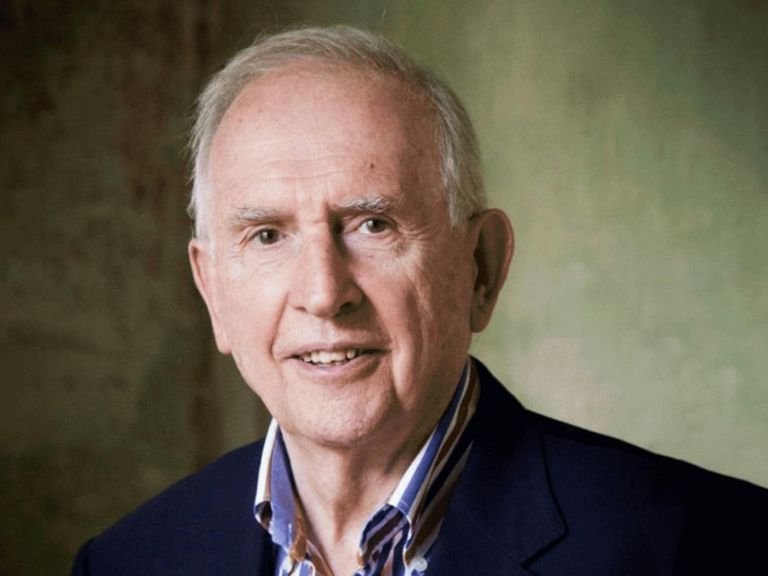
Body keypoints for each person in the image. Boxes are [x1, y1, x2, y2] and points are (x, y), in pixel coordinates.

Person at [71, 25, 766, 575]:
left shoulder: (707, 546)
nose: (322, 292)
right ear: (213, 292)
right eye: (267, 235)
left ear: (481, 269)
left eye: (372, 225)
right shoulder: (130, 561)